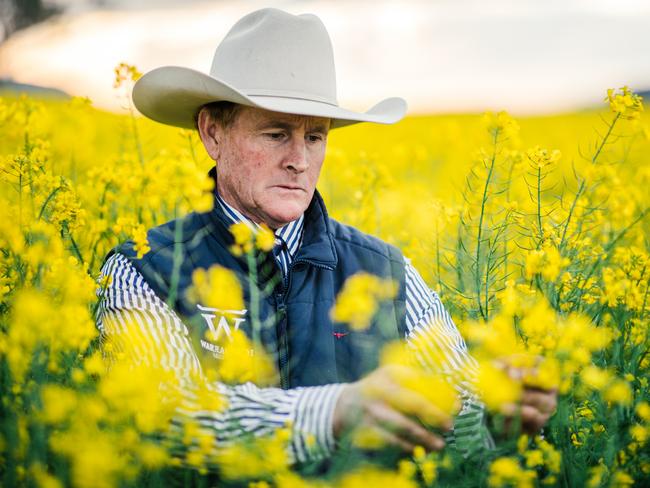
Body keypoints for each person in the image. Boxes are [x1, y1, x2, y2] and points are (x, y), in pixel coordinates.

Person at [96, 7, 556, 469]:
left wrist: (495, 410)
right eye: (276, 134)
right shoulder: (143, 270)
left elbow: (453, 411)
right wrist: (334, 413)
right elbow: (164, 417)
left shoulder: (387, 270)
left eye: (315, 137)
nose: (299, 160)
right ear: (213, 134)